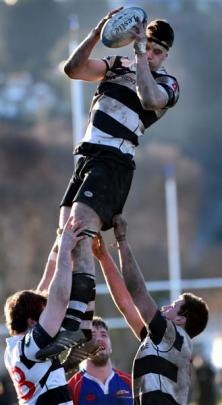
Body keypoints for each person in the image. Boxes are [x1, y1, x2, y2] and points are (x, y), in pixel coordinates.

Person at [40, 6, 180, 359]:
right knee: (65, 243)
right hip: (86, 158)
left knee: (82, 232)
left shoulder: (166, 83)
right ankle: (82, 329)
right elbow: (73, 70)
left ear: (165, 56)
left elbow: (150, 100)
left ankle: (76, 328)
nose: (150, 54)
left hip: (113, 162)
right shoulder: (117, 67)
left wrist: (137, 56)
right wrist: (97, 32)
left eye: (158, 52)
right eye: (147, 46)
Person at [92, 216, 209, 405]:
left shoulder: (173, 336)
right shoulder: (164, 341)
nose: (165, 307)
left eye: (173, 306)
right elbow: (127, 304)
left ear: (181, 320)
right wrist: (103, 257)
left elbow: (138, 293)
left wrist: (122, 240)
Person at [4, 217, 87, 404]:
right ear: (31, 321)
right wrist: (66, 250)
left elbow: (45, 285)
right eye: (43, 313)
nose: (49, 315)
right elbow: (60, 298)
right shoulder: (31, 346)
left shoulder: (14, 348)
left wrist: (59, 243)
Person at [68, 316, 133, 405]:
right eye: (93, 335)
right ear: (82, 348)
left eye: (103, 335)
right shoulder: (71, 388)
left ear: (111, 347)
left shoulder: (131, 383)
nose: (99, 339)